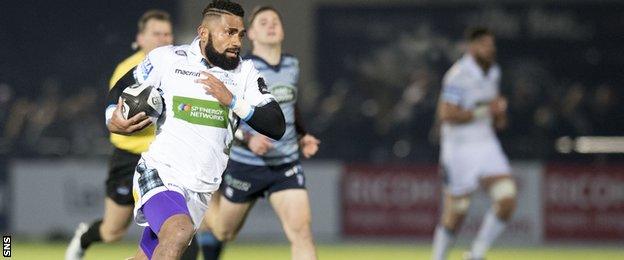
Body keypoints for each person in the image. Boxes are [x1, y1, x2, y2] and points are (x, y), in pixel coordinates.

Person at [107, 1, 285, 259]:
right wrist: (111, 119)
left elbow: (276, 124)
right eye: (229, 32)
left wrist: (233, 101)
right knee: (179, 232)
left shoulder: (245, 73)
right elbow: (120, 88)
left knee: (148, 254)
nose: (237, 41)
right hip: (161, 173)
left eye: (241, 34)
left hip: (201, 189)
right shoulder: (167, 59)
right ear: (203, 33)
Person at [66, 9, 201, 260]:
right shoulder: (127, 70)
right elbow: (119, 115)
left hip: (167, 163)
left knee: (180, 233)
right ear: (139, 39)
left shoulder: (179, 69)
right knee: (113, 230)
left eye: (168, 33)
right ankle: (85, 236)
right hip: (129, 158)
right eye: (156, 33)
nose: (163, 38)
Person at [197, 6, 320, 260]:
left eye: (276, 20)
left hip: (285, 164)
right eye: (263, 22)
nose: (271, 25)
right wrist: (248, 138)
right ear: (250, 34)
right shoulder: (242, 69)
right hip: (246, 165)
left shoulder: (292, 64)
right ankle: (202, 194)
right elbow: (223, 110)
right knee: (223, 231)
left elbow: (289, 104)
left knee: (302, 234)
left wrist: (302, 133)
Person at [431, 27, 517, 260]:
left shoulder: (493, 73)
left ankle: (475, 255)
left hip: (486, 143)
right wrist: (485, 111)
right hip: (459, 148)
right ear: (472, 47)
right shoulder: (458, 75)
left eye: (492, 45)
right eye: (485, 45)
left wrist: (499, 114)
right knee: (457, 212)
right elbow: (447, 114)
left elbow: (494, 112)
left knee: (507, 197)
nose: (491, 50)